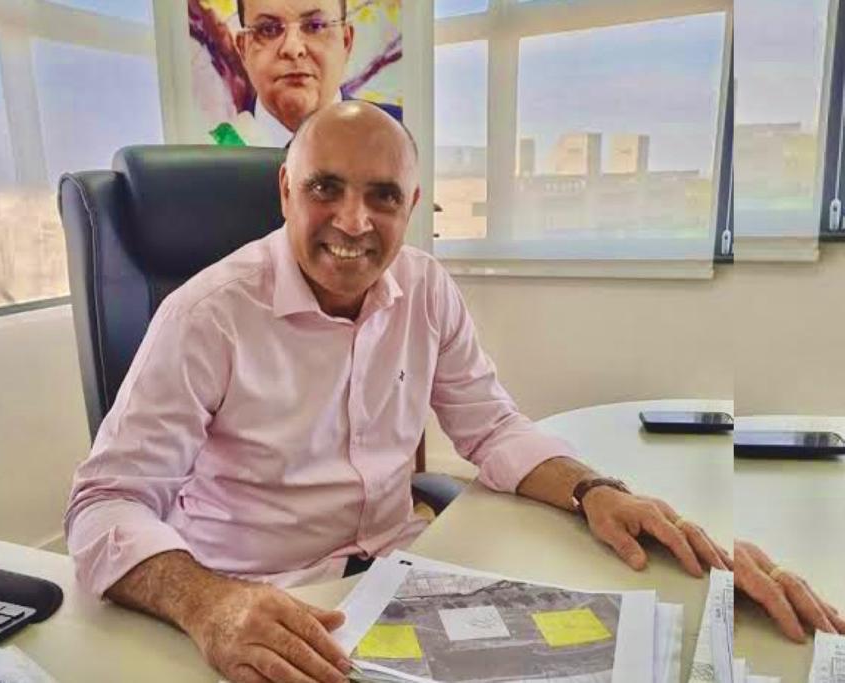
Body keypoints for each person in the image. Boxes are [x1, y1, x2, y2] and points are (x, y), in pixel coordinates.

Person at [65, 102, 838, 683]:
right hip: (261, 600)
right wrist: (209, 602)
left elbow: (492, 425)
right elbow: (104, 503)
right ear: (285, 190)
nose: (353, 221)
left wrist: (596, 489)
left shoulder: (426, 288)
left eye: (382, 196)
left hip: (405, 579)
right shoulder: (206, 315)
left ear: (411, 205)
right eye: (326, 188)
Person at [210, 0, 401, 147]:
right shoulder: (210, 160)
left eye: (315, 26)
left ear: (346, 41)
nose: (293, 48)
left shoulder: (402, 137)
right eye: (268, 29)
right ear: (243, 48)